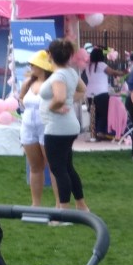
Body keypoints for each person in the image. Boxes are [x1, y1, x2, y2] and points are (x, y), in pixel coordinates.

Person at [40, 39, 89, 214]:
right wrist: (69, 100)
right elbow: (82, 90)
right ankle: (81, 206)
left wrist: (54, 107)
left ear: (50, 55)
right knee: (67, 167)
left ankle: (64, 212)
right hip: (67, 126)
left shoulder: (59, 76)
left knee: (58, 169)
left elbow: (59, 98)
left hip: (57, 128)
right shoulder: (71, 72)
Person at [19, 49, 57, 207]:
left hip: (46, 126)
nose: (31, 67)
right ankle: (35, 204)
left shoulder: (53, 82)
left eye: (33, 65)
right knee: (35, 166)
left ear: (42, 67)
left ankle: (60, 205)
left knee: (53, 167)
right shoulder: (28, 83)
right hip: (28, 126)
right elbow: (21, 98)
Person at [84, 45, 113, 142]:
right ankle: (100, 132)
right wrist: (123, 72)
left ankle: (94, 133)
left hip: (89, 93)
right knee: (103, 113)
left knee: (93, 113)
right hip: (101, 92)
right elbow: (112, 72)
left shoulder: (88, 66)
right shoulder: (101, 65)